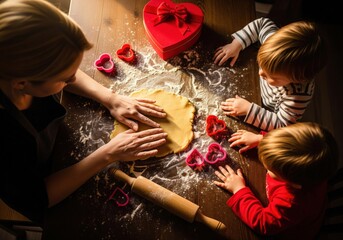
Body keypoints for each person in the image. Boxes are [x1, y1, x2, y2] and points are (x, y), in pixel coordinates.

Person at [0, 0, 168, 223]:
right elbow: (37, 198)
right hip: (45, 186)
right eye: (66, 79)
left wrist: (110, 98)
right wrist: (108, 154)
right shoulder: (5, 138)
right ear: (22, 84)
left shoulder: (15, 65)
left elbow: (61, 69)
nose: (73, 78)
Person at [213, 122, 339, 239]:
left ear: (294, 184)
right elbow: (289, 142)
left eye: (270, 169)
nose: (265, 166)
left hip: (292, 232)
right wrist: (262, 140)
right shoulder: (310, 169)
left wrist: (239, 189)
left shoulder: (291, 202)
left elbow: (263, 223)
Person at [213, 17, 327, 131]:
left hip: (269, 110)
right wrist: (237, 44)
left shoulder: (298, 95)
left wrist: (249, 109)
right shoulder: (273, 43)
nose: (260, 73)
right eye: (261, 65)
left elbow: (282, 126)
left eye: (272, 76)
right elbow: (261, 24)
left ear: (297, 80)